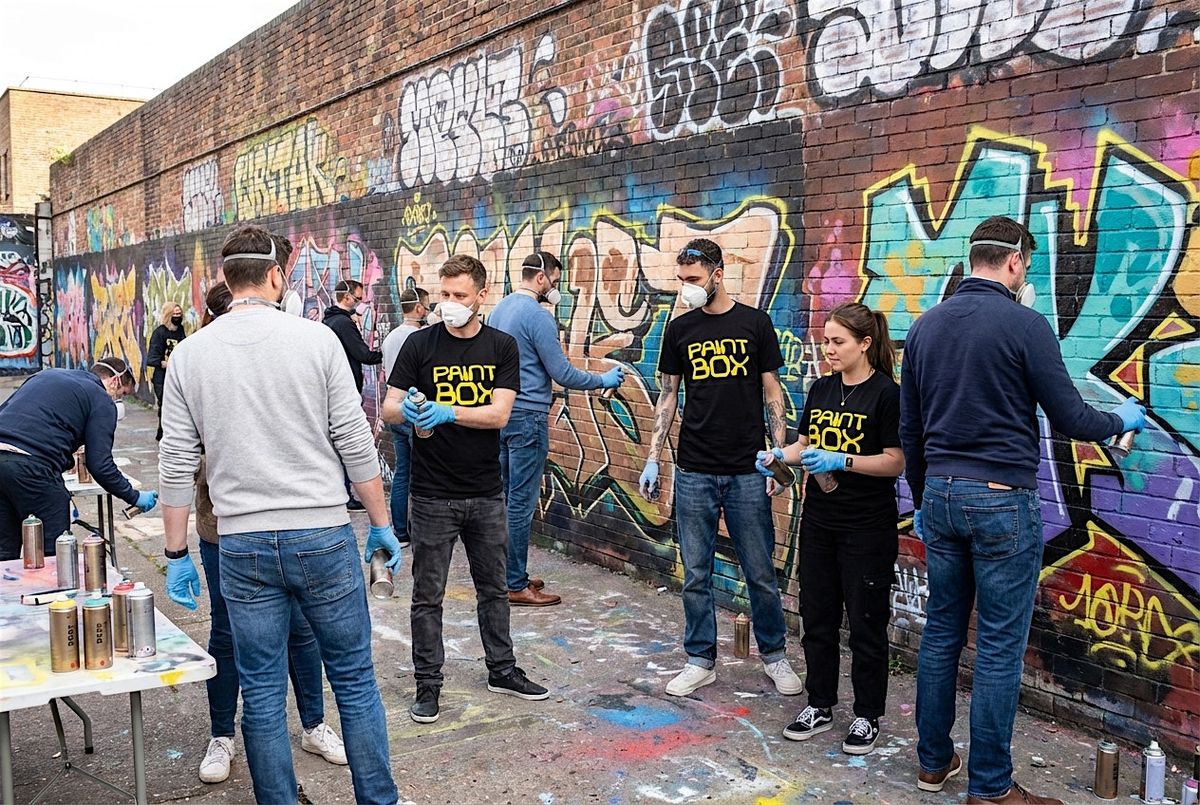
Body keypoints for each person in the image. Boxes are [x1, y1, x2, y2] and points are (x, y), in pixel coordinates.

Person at [901, 216, 1146, 804]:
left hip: (941, 494)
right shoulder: (1025, 324)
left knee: (941, 632)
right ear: (1014, 261)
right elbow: (1072, 418)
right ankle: (990, 789)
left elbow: (910, 429)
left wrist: (927, 493)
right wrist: (1122, 419)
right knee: (999, 646)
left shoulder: (925, 327)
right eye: (1028, 266)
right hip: (1000, 501)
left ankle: (933, 763)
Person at [158, 225, 400, 805]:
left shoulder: (190, 354)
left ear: (225, 277)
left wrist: (175, 552)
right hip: (321, 533)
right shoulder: (317, 341)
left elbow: (176, 462)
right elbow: (355, 442)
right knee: (354, 680)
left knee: (262, 692)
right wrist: (382, 524)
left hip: (241, 543)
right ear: (275, 275)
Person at [190, 275, 349, 783]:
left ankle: (314, 724)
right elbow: (179, 450)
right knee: (226, 632)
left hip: (291, 523)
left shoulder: (292, 351)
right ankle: (221, 734)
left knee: (302, 631)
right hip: (225, 527)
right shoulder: (199, 362)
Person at [382, 254, 549, 725]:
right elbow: (389, 407)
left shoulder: (501, 346)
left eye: (459, 295)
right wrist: (410, 411)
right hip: (432, 494)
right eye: (444, 294)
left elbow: (499, 414)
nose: (449, 303)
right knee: (427, 595)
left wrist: (447, 411)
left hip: (485, 492)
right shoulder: (420, 345)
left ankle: (502, 669)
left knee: (493, 589)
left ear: (481, 294)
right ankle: (428, 684)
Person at [637, 238, 802, 699]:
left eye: (693, 279)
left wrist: (778, 456)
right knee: (695, 573)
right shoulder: (680, 328)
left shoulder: (754, 323)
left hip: (748, 469)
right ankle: (700, 660)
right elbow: (668, 394)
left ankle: (774, 656)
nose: (686, 287)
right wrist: (653, 456)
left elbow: (773, 390)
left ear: (717, 273)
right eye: (681, 279)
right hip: (694, 468)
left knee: (760, 572)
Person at [755, 302, 903, 755]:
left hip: (867, 528)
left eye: (838, 342)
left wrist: (844, 461)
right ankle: (819, 704)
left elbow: (895, 461)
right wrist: (778, 456)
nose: (829, 350)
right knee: (816, 619)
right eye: (826, 342)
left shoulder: (886, 394)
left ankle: (867, 715)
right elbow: (804, 445)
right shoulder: (821, 388)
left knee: (865, 625)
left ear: (865, 343)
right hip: (819, 522)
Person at [487, 251, 624, 606]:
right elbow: (562, 373)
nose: (556, 288)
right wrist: (603, 379)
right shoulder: (538, 316)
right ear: (542, 278)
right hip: (528, 418)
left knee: (506, 499)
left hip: (502, 415)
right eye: (556, 281)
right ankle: (515, 584)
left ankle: (506, 574)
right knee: (521, 503)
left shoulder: (499, 310)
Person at [0, 358, 157, 559]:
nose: (119, 400)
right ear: (114, 381)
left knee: (4, 551)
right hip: (32, 466)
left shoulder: (45, 375)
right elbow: (100, 465)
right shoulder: (100, 398)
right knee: (55, 552)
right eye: (122, 394)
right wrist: (134, 497)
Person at [323, 279, 384, 511]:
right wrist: (386, 353)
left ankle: (343, 491)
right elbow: (362, 354)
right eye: (358, 298)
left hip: (334, 386)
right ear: (347, 297)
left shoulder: (329, 320)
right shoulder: (343, 323)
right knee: (348, 442)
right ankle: (347, 494)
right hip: (345, 387)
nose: (360, 303)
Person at [380, 287, 430, 547]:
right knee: (423, 472)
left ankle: (400, 531)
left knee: (402, 472)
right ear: (419, 308)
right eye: (427, 305)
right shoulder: (421, 338)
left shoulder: (390, 338)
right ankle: (424, 529)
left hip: (395, 409)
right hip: (415, 410)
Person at [147, 302, 187, 442]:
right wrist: (166, 364)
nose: (177, 317)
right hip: (162, 377)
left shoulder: (180, 331)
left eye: (179, 314)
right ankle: (162, 433)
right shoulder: (160, 333)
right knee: (165, 405)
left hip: (178, 375)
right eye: (174, 314)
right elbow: (152, 358)